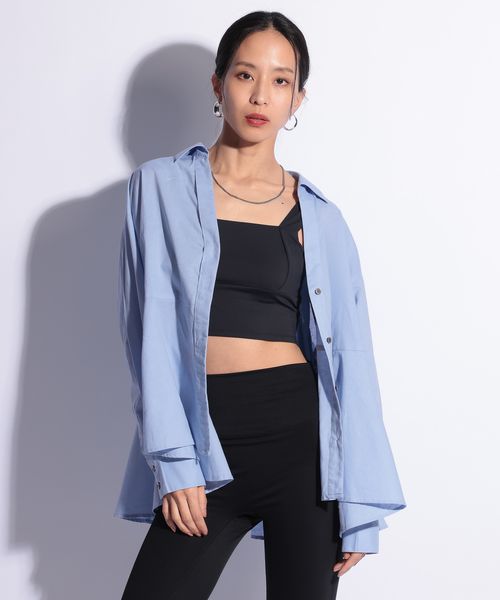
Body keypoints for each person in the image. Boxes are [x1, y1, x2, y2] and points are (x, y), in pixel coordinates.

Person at [115, 10, 406, 600]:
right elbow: (144, 334)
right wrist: (174, 461)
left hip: (302, 445)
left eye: (280, 80)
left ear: (298, 98)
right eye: (246, 74)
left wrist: (359, 497)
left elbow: (352, 359)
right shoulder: (159, 187)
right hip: (205, 439)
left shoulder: (321, 218)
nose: (260, 95)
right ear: (218, 83)